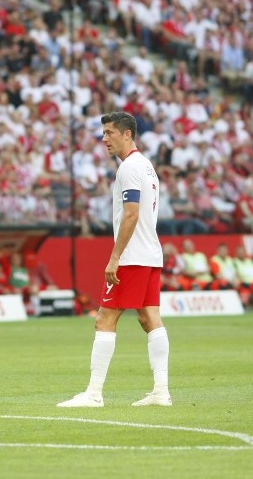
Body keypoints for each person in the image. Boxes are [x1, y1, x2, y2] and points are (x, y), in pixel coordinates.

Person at [58, 112, 170, 408]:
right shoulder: (146, 167)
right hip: (150, 253)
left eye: (109, 132)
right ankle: (161, 390)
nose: (104, 138)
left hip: (132, 256)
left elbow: (131, 214)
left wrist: (115, 256)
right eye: (103, 133)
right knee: (149, 318)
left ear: (127, 134)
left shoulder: (129, 168)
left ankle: (93, 394)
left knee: (104, 319)